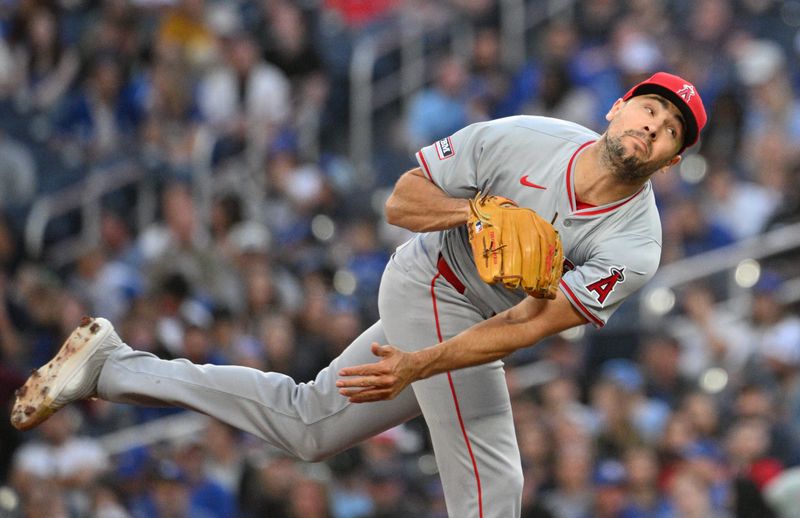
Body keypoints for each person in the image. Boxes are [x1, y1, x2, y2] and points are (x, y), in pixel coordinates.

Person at [12, 71, 706, 518]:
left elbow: (529, 327)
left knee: (309, 426)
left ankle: (111, 366)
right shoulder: (528, 138)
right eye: (648, 108)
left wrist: (416, 364)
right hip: (431, 278)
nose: (651, 126)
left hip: (473, 321)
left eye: (669, 130)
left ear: (672, 161)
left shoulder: (635, 245)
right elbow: (402, 199)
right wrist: (475, 212)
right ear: (618, 108)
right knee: (494, 483)